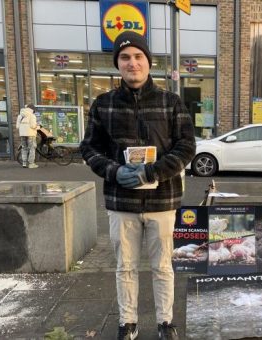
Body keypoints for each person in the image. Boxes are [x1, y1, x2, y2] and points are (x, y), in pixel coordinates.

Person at [80, 31, 196, 340]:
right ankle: (127, 323)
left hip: (162, 201)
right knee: (125, 267)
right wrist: (114, 171)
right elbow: (90, 149)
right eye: (125, 57)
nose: (133, 63)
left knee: (162, 266)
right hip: (122, 202)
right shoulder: (103, 104)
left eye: (138, 56)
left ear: (149, 61)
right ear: (118, 64)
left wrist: (151, 172)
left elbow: (186, 148)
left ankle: (165, 322)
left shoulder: (170, 103)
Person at [16, 104, 39, 168]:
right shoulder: (32, 115)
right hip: (30, 134)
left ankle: (24, 163)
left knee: (24, 148)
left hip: (22, 134)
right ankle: (31, 164)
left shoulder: (20, 116)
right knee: (31, 148)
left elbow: (17, 126)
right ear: (32, 109)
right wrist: (37, 126)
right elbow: (33, 126)